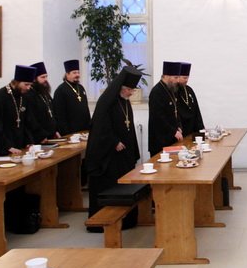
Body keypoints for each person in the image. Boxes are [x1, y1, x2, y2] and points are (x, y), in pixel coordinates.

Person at [85, 66, 143, 232]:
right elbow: (100, 126)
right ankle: (101, 222)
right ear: (120, 87)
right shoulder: (107, 101)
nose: (130, 93)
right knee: (109, 186)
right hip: (108, 156)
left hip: (123, 153)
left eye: (132, 90)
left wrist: (133, 150)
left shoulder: (124, 101)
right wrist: (113, 141)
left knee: (125, 184)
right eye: (128, 89)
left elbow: (128, 126)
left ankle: (127, 220)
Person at [0, 65, 36, 154]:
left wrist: (29, 141)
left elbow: (27, 121)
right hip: (6, 147)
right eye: (26, 84)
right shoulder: (0, 96)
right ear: (17, 82)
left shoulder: (24, 96)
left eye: (30, 85)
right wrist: (7, 146)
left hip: (22, 146)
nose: (28, 88)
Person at [148, 61, 183, 155]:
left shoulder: (171, 89)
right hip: (159, 140)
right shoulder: (156, 92)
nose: (178, 81)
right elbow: (158, 117)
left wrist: (179, 126)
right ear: (166, 76)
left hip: (171, 137)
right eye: (175, 77)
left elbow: (175, 111)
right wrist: (173, 131)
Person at [53, 59, 91, 136]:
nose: (77, 75)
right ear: (67, 74)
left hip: (84, 129)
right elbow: (60, 115)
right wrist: (66, 132)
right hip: (70, 132)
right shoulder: (60, 90)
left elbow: (86, 108)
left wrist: (90, 126)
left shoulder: (81, 88)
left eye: (78, 72)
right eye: (74, 73)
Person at [25, 62, 58, 142]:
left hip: (51, 136)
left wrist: (56, 131)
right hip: (39, 139)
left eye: (46, 76)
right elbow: (32, 120)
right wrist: (41, 136)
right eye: (43, 77)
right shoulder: (29, 95)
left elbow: (52, 112)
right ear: (34, 79)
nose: (46, 79)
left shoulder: (45, 93)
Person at [177, 62, 205, 138]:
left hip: (192, 128)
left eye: (187, 78)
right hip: (182, 129)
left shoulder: (189, 90)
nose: (186, 80)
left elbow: (197, 110)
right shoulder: (173, 92)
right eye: (184, 78)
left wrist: (201, 128)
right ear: (178, 77)